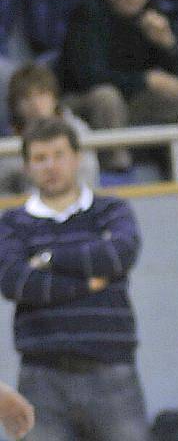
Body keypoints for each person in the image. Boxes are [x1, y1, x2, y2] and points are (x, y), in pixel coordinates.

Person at [0, 118, 148, 441]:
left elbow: (119, 254)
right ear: (26, 166)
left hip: (112, 372)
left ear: (77, 157)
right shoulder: (12, 223)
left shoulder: (111, 209)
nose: (51, 166)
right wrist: (87, 283)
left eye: (59, 154)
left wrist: (49, 259)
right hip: (42, 376)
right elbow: (16, 282)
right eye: (40, 158)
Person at [59, 0, 178, 170]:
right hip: (87, 104)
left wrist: (168, 45)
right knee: (107, 97)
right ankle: (117, 171)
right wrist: (145, 80)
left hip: (138, 104)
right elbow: (88, 76)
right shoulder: (88, 15)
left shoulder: (154, 15)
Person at [0, 63, 99, 194]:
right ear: (15, 105)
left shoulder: (77, 130)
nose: (36, 104)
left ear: (54, 98)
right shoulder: (10, 140)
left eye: (42, 94)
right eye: (27, 98)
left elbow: (88, 178)